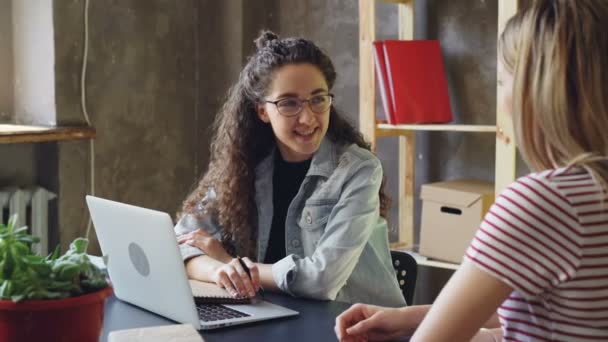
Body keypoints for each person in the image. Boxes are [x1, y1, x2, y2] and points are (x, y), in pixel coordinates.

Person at [335, 0, 608, 341]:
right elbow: (532, 314)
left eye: (503, 80)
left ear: (532, 92)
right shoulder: (592, 195)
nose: (503, 99)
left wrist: (422, 327)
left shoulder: (545, 200)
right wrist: (409, 317)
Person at [174, 30, 405, 307]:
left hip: (356, 328)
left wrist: (234, 264)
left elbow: (322, 280)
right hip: (277, 319)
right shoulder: (245, 166)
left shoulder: (358, 170)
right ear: (262, 111)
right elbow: (179, 243)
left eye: (318, 99)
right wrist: (218, 270)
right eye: (289, 103)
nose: (307, 118)